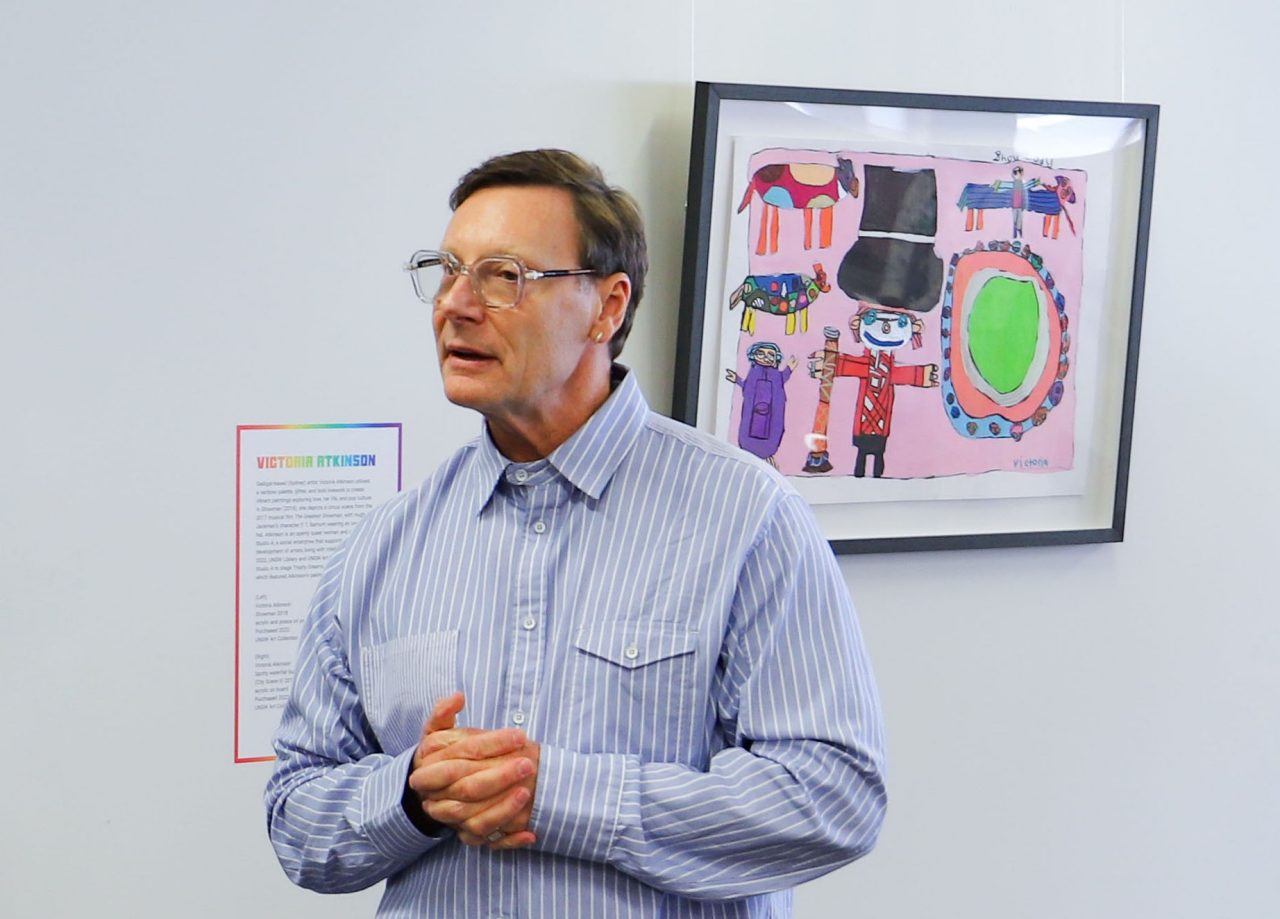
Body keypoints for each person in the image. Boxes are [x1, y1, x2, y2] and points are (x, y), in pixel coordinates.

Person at [265, 149, 887, 918]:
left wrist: (556, 795)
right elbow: (296, 818)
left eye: (503, 276)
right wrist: (413, 795)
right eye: (447, 268)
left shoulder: (747, 518)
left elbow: (834, 797)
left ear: (608, 306)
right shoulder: (383, 546)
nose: (455, 304)